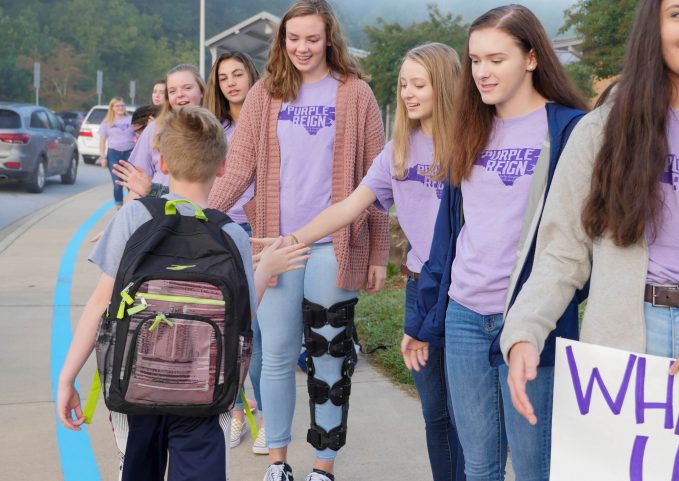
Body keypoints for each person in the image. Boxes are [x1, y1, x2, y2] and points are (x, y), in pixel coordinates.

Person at [502, 0, 679, 436]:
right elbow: (560, 255)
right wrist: (523, 330)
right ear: (655, 24)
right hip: (625, 346)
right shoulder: (601, 132)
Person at [56, 105, 310, 481]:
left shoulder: (135, 217)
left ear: (161, 161)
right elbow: (244, 315)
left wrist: (67, 377)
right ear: (222, 166)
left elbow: (100, 303)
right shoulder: (230, 234)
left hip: (135, 387)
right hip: (205, 392)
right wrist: (266, 268)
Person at [406, 5, 589, 481]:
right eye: (474, 60)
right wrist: (423, 318)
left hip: (532, 321)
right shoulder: (469, 127)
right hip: (465, 315)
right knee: (479, 465)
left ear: (531, 58)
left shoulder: (570, 129)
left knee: (534, 467)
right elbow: (446, 239)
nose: (482, 72)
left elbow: (582, 239)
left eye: (496, 59)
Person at [268, 43, 466, 481]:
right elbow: (348, 207)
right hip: (421, 289)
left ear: (447, 86)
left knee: (468, 413)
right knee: (435, 413)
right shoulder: (399, 149)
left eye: (420, 84)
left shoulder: (471, 144)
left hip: (468, 291)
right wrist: (291, 240)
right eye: (403, 85)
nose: (409, 94)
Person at [208, 1, 388, 480]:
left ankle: (323, 467)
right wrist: (201, 218)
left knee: (330, 358)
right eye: (293, 38)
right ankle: (278, 464)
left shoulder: (356, 94)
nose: (302, 48)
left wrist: (377, 252)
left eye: (312, 38)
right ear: (281, 41)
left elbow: (377, 180)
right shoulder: (266, 93)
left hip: (335, 244)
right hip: (274, 246)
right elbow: (240, 166)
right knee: (278, 356)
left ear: (329, 38)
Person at [201, 50, 269, 453]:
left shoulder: (268, 122)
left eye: (238, 74)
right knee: (228, 331)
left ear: (252, 77)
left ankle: (268, 419)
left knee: (259, 332)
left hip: (260, 234)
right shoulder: (215, 129)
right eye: (223, 76)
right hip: (222, 231)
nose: (231, 82)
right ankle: (238, 412)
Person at [127, 64, 205, 199]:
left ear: (202, 90)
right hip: (158, 212)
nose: (180, 95)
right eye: (172, 91)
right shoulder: (154, 129)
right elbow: (137, 186)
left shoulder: (218, 129)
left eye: (187, 88)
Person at [98, 97, 135, 209]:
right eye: (117, 106)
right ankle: (119, 205)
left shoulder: (131, 119)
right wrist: (103, 157)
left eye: (122, 105)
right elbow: (102, 141)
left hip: (129, 152)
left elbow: (139, 135)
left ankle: (132, 204)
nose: (120, 108)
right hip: (114, 153)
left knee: (131, 181)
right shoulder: (107, 122)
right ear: (112, 108)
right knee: (117, 183)